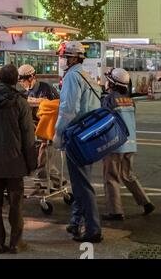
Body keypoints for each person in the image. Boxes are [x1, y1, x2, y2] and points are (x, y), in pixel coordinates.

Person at [0, 64, 36, 254]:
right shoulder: (21, 102)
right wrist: (31, 163)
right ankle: (15, 243)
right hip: (15, 162)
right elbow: (28, 136)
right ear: (14, 81)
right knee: (16, 203)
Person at [53, 41, 103, 243]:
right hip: (88, 134)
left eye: (65, 57)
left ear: (74, 58)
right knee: (81, 182)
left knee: (82, 185)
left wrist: (58, 132)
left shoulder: (73, 76)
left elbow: (68, 109)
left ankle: (93, 229)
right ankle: (75, 222)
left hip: (77, 136)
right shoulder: (85, 74)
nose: (63, 60)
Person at [102, 68, 155, 221]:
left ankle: (115, 211)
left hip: (114, 144)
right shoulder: (130, 100)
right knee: (128, 175)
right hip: (130, 144)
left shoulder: (109, 99)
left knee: (111, 177)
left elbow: (104, 121)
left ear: (112, 83)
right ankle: (146, 202)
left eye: (108, 79)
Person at [18, 64, 64, 188]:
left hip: (48, 130)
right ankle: (58, 180)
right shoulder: (23, 93)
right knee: (39, 160)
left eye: (23, 80)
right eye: (20, 81)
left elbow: (57, 106)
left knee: (43, 160)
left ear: (32, 77)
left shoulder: (47, 89)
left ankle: (44, 185)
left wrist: (40, 102)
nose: (22, 83)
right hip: (33, 131)